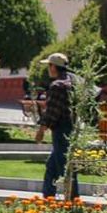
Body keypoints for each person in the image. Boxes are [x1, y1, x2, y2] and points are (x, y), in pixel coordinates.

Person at [35, 53, 78, 199]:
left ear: (53, 66)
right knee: (52, 166)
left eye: (49, 65)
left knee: (65, 168)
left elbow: (52, 112)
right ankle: (48, 198)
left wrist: (41, 130)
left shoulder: (57, 85)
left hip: (61, 130)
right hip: (70, 128)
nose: (48, 69)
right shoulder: (72, 82)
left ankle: (72, 200)